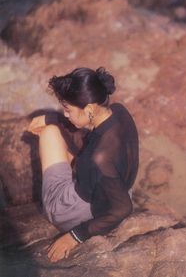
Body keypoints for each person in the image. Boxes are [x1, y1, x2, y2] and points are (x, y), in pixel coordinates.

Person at [27, 67, 139, 262]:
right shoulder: (120, 112)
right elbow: (88, 140)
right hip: (118, 188)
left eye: (68, 109)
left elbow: (123, 209)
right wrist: (52, 117)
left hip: (79, 211)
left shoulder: (99, 158)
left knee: (49, 134)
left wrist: (74, 236)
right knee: (65, 132)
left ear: (89, 109)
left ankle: (58, 211)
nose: (66, 114)